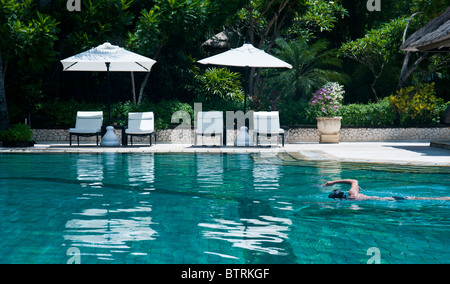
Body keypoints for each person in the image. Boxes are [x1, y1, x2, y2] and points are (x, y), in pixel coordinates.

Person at [322, 179, 450, 201]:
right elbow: (353, 181)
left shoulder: (352, 196)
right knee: (415, 198)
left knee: (420, 199)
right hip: (388, 199)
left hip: (389, 200)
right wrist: (334, 182)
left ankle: (445, 198)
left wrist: (333, 181)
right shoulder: (351, 194)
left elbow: (354, 181)